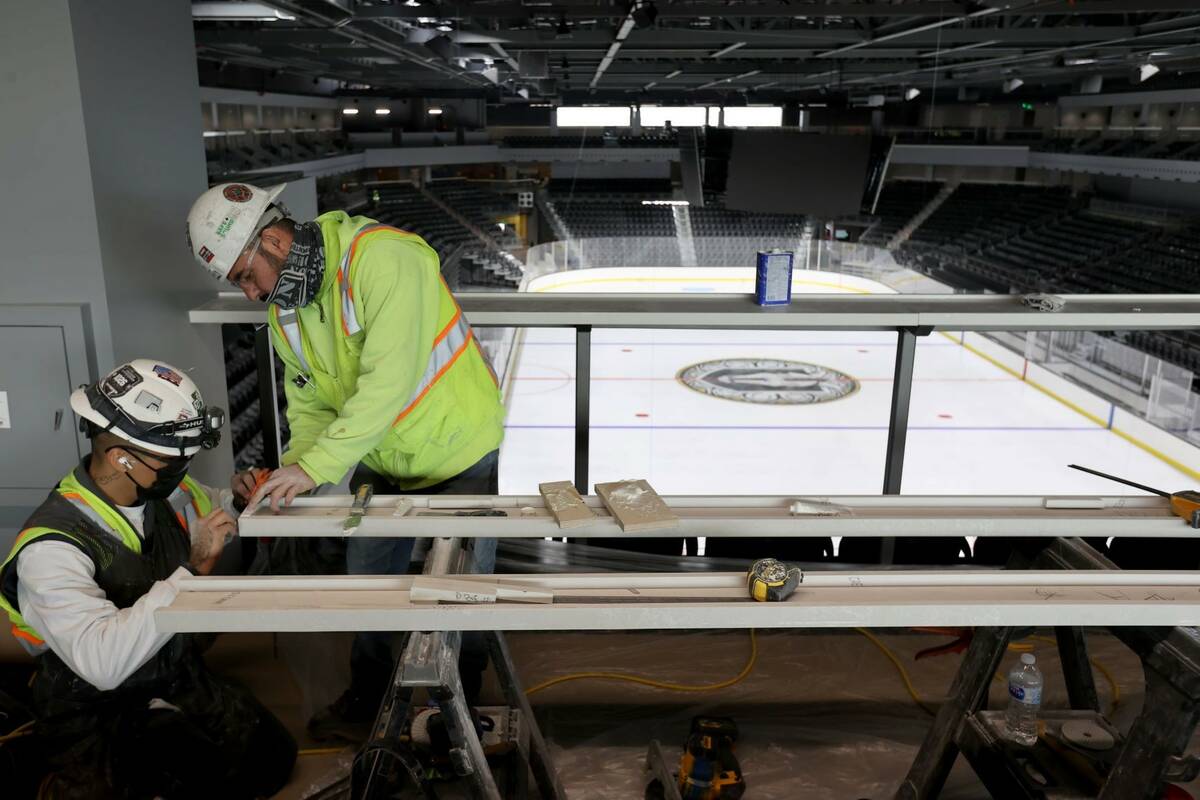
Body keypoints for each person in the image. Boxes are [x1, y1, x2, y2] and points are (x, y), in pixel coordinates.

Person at [185, 182, 505, 741]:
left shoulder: (384, 259)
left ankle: (463, 695)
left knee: (466, 584)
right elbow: (309, 405)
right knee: (369, 574)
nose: (248, 294)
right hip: (380, 455)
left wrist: (317, 467)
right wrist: (293, 475)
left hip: (459, 445)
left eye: (243, 275)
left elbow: (388, 384)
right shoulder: (286, 308)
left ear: (273, 243)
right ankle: (372, 693)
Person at [0, 360, 296, 799]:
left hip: (169, 669)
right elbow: (102, 664)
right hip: (86, 699)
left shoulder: (159, 488)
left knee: (268, 758)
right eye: (175, 456)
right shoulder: (51, 548)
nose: (185, 465)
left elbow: (205, 503)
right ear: (121, 457)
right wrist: (190, 573)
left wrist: (235, 500)